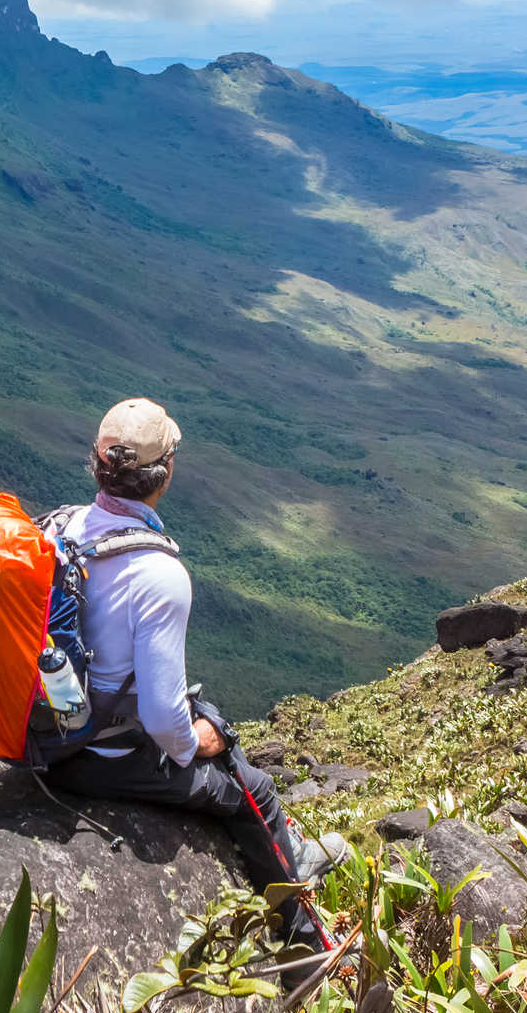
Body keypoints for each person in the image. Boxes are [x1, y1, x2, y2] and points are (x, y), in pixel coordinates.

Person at [41, 398, 347, 949]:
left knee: (216, 728)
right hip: (100, 757)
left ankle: (290, 866)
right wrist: (192, 745)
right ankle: (303, 941)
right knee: (249, 788)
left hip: (47, 738)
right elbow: (161, 717)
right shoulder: (158, 575)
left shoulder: (60, 527)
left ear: (97, 461)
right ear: (166, 473)